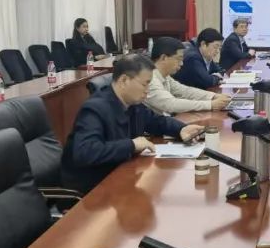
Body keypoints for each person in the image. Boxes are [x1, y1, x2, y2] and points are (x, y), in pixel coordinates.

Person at [62, 54, 203, 193]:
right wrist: (132, 145)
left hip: (121, 176)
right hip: (93, 190)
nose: (147, 90)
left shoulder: (133, 103)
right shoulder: (94, 109)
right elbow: (86, 152)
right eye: (145, 84)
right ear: (124, 80)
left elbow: (157, 121)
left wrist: (181, 129)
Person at [146, 37, 231, 114]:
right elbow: (171, 104)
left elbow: (184, 91)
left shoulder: (165, 76)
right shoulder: (150, 79)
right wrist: (210, 104)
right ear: (164, 58)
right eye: (179, 59)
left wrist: (214, 96)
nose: (181, 63)